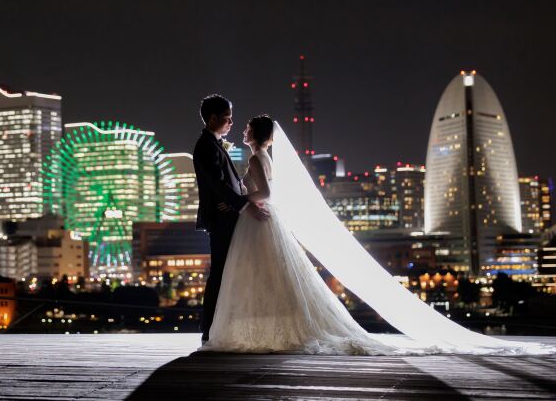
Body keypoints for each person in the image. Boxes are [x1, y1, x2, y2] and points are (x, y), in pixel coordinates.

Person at [199, 112, 554, 356]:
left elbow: (267, 194)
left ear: (258, 135)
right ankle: (267, 330)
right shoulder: (259, 155)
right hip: (258, 220)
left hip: (258, 217)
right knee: (267, 278)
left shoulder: (260, 157)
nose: (240, 129)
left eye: (245, 127)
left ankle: (262, 331)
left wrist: (245, 199)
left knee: (263, 277)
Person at [192, 94, 268, 343]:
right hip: (222, 218)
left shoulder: (214, 144)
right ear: (212, 118)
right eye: (227, 118)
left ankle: (218, 328)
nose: (231, 123)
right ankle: (210, 329)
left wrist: (241, 197)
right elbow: (218, 183)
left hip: (229, 214)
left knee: (227, 272)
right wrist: (245, 205)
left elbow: (229, 184)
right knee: (220, 273)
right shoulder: (206, 146)